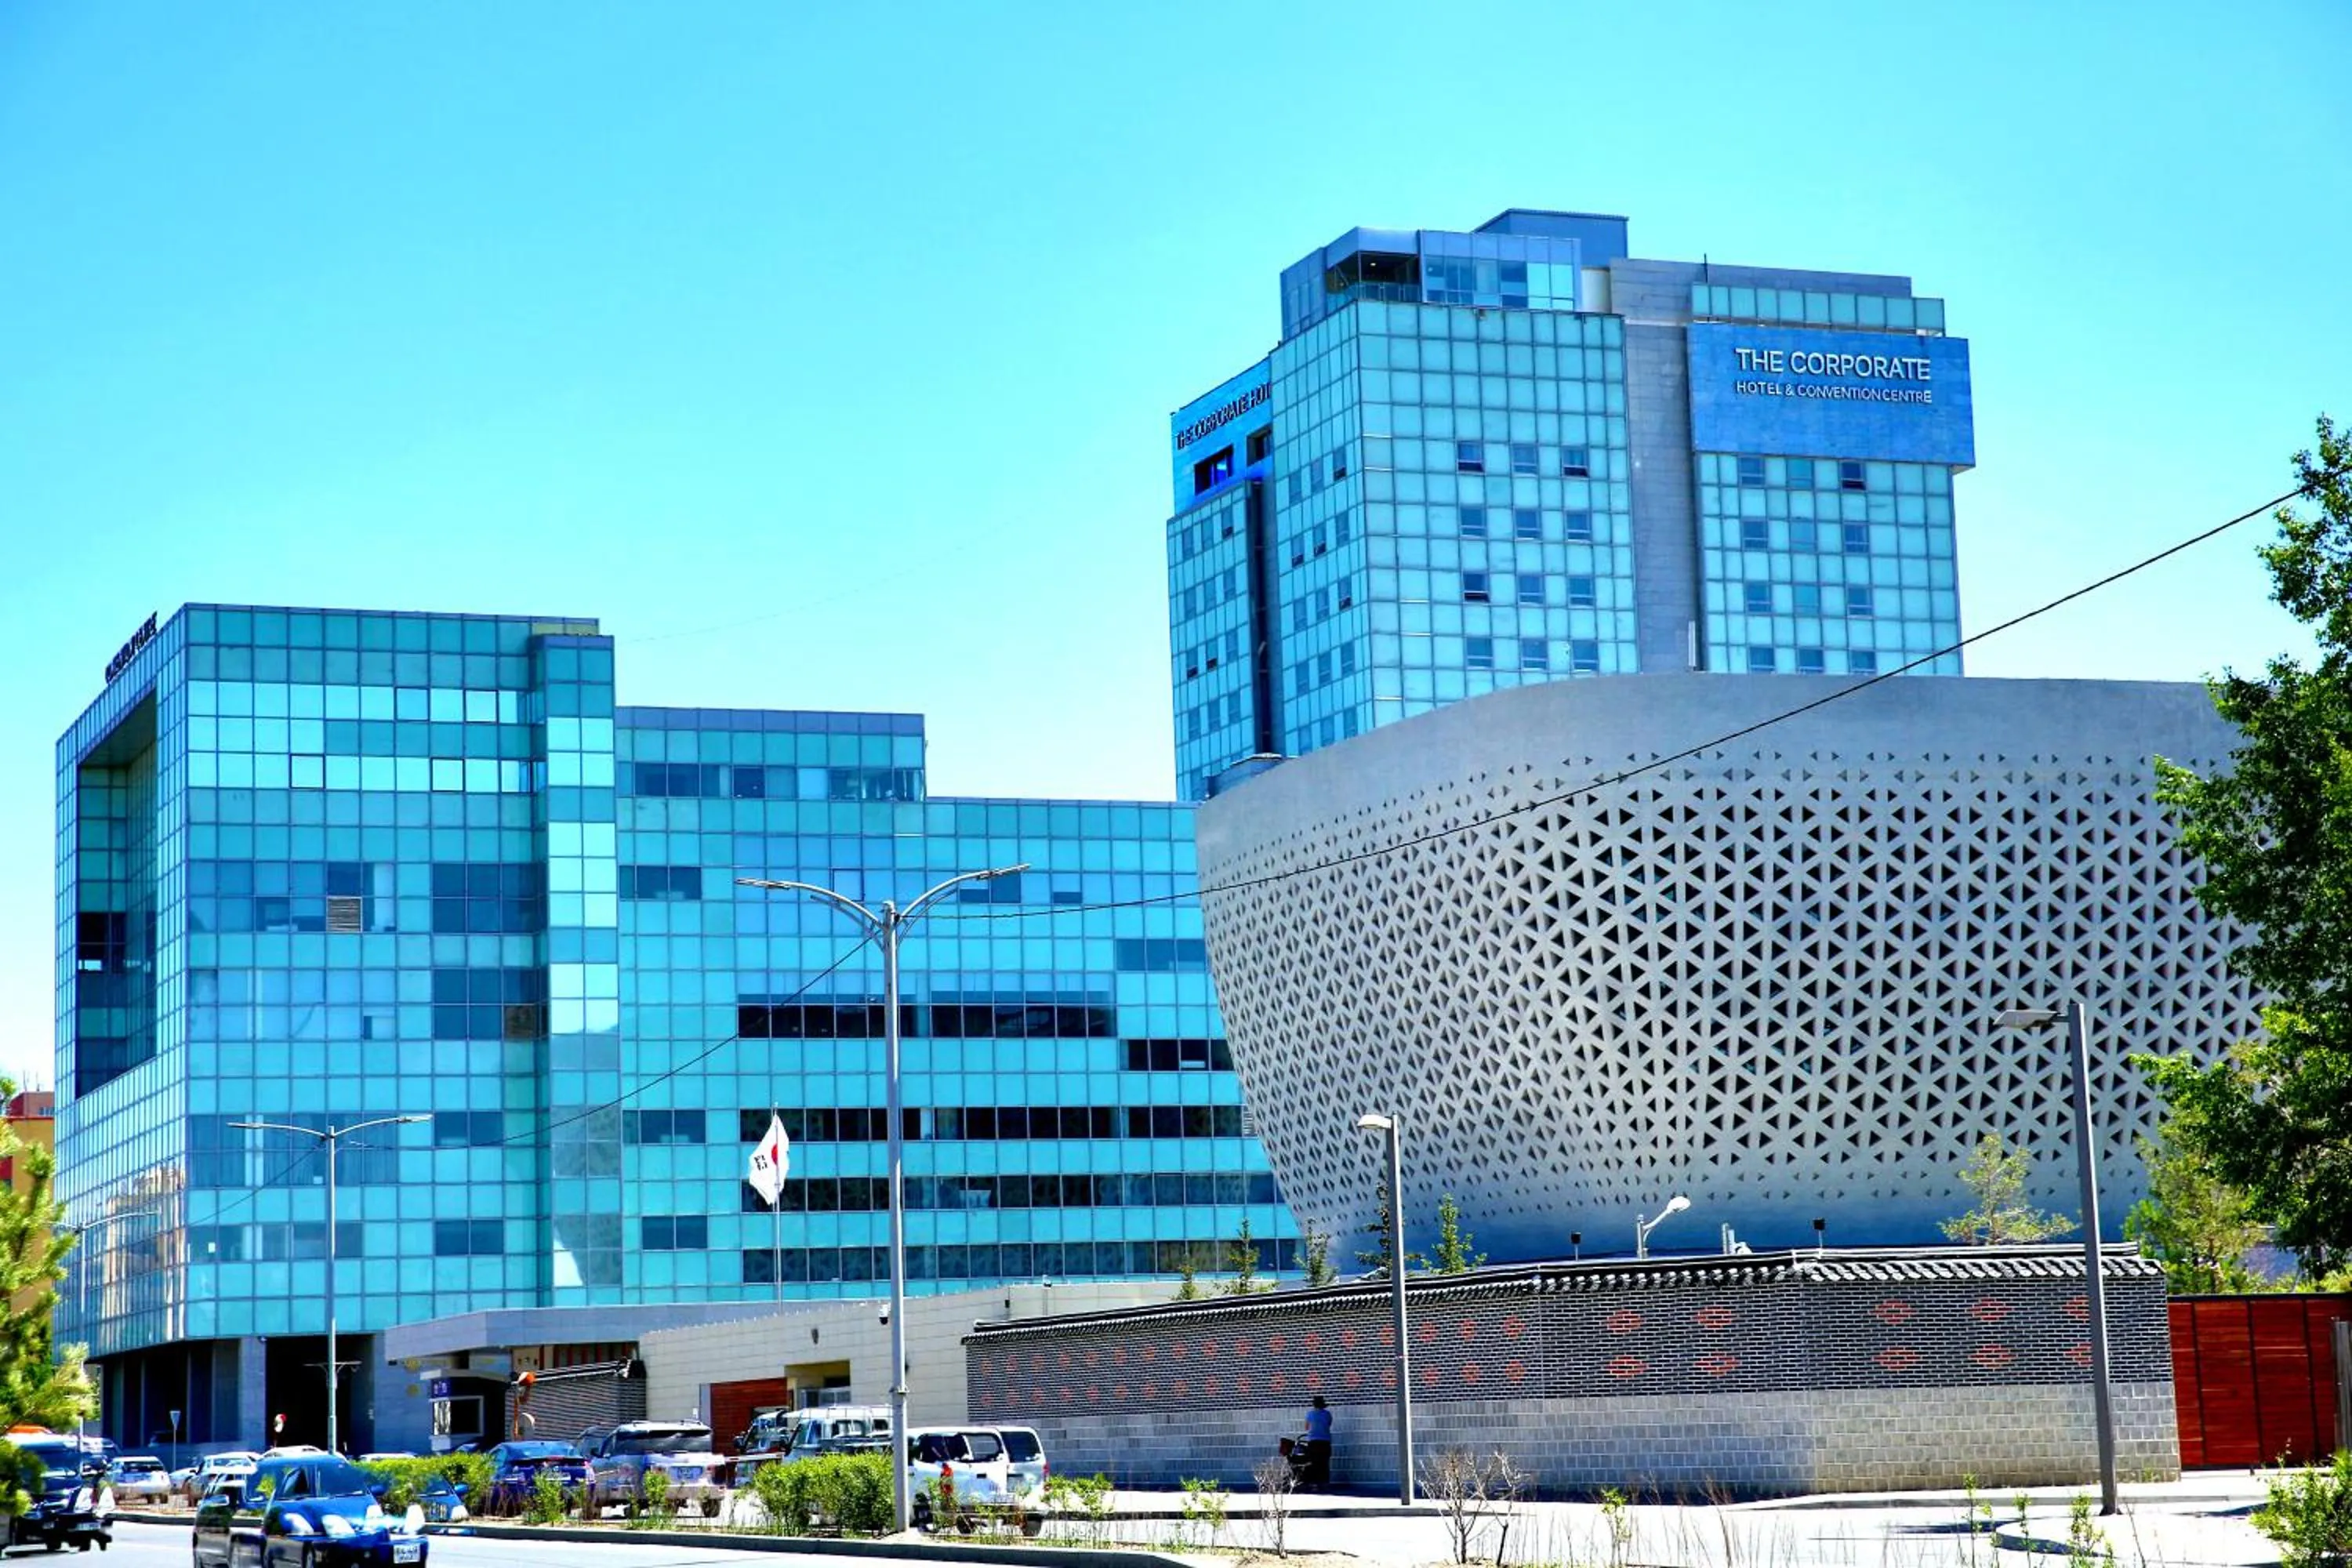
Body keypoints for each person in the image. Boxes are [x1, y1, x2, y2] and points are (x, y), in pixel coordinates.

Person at [1301, 1396, 1333, 1490]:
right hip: (1325, 1441)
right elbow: (1329, 1424)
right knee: (1324, 1462)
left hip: (1313, 1441)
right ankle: (1324, 1482)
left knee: (1314, 1462)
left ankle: (1314, 1483)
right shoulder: (1327, 1414)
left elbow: (1306, 1427)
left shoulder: (1310, 1414)